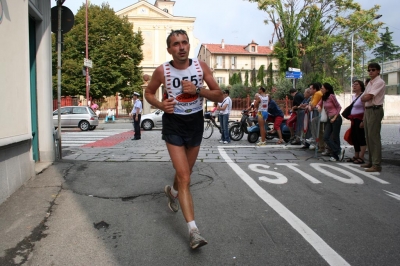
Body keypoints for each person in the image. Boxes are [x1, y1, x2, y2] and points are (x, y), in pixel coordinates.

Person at [144, 29, 223, 249]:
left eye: (184, 42)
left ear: (189, 45)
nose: (181, 47)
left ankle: (173, 192)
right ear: (169, 49)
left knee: (185, 172)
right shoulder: (162, 71)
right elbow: (149, 93)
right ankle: (194, 231)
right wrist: (161, 105)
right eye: (176, 44)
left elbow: (220, 94)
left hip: (195, 123)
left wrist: (198, 90)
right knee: (185, 175)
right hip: (174, 124)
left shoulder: (200, 67)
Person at [360, 63, 386, 172]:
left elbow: (368, 96)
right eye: (369, 70)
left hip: (375, 109)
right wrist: (365, 98)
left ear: (378, 71)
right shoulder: (370, 83)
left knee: (374, 137)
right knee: (368, 137)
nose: (371, 72)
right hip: (368, 109)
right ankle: (371, 161)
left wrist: (365, 98)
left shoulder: (379, 82)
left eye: (373, 70)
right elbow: (363, 97)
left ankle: (376, 164)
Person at [316, 83, 343, 162]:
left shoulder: (331, 96)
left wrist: (334, 117)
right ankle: (338, 150)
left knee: (335, 137)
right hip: (329, 119)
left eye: (323, 88)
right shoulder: (323, 97)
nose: (321, 89)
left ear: (327, 89)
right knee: (326, 137)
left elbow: (339, 107)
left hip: (336, 118)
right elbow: (318, 104)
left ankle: (335, 155)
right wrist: (318, 107)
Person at [346, 80, 366, 164]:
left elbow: (365, 109)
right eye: (353, 84)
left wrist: (363, 120)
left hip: (359, 118)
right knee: (355, 138)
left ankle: (361, 157)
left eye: (356, 84)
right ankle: (356, 155)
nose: (354, 86)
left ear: (361, 86)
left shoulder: (363, 96)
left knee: (360, 137)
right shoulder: (354, 96)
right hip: (353, 119)